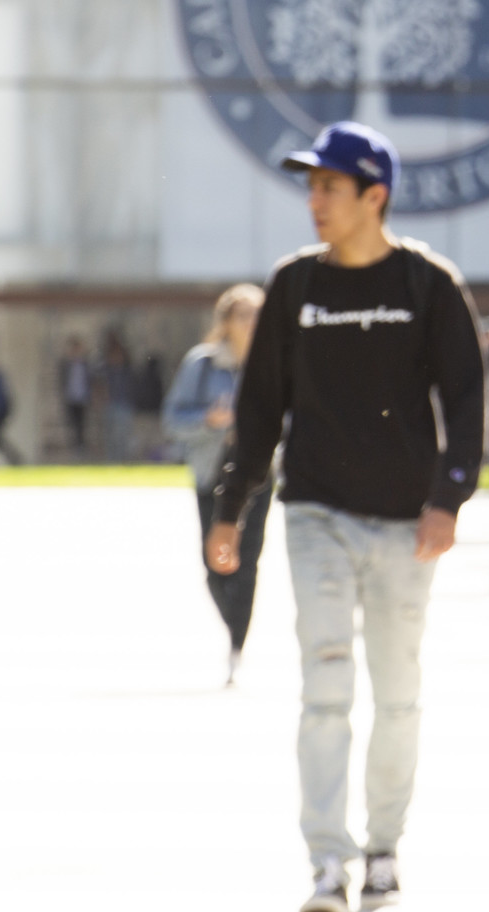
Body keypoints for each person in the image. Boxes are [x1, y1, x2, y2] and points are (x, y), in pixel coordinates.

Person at [204, 121, 488, 912]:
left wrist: (448, 499)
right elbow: (259, 411)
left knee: (397, 692)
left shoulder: (426, 285)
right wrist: (230, 510)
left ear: (374, 195)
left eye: (329, 186)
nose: (314, 200)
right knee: (325, 687)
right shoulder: (294, 287)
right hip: (316, 514)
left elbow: (469, 400)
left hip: (406, 524)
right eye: (310, 185)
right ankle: (326, 865)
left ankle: (383, 851)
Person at [167, 283, 268, 684]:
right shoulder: (202, 364)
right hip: (213, 472)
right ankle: (232, 626)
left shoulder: (273, 363)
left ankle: (237, 643)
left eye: (259, 314)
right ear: (226, 322)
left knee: (248, 560)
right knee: (214, 563)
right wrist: (209, 422)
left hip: (259, 475)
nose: (252, 323)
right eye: (243, 314)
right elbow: (173, 419)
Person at [102, 337, 136, 462]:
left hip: (124, 405)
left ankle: (124, 458)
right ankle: (113, 459)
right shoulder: (107, 372)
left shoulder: (127, 372)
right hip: (111, 405)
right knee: (111, 434)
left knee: (124, 433)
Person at [58, 336, 91, 456]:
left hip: (82, 397)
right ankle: (73, 446)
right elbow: (62, 379)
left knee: (81, 423)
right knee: (72, 422)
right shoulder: (66, 364)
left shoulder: (85, 364)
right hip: (70, 397)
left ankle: (81, 446)